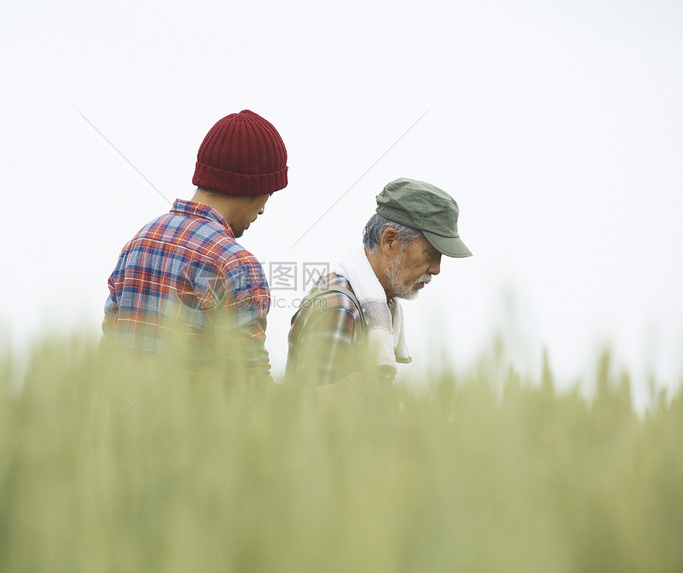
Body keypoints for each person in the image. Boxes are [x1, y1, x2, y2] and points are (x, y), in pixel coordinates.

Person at [102, 109, 288, 380]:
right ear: (252, 188)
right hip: (197, 424)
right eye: (269, 194)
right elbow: (252, 387)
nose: (262, 211)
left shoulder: (137, 244)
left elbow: (106, 356)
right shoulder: (237, 266)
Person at [286, 178, 471, 385]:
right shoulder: (341, 307)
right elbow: (308, 410)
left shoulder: (376, 304)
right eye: (430, 254)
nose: (436, 269)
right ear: (389, 241)